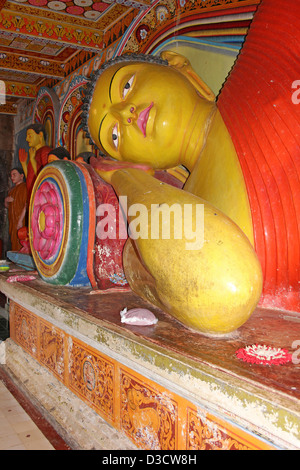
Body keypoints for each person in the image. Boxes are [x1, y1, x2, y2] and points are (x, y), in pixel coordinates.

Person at [82, 52, 263, 336]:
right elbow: (226, 288)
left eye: (126, 86)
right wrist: (126, 177)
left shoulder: (259, 68)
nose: (125, 113)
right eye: (114, 135)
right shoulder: (187, 210)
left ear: (184, 71)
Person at [19, 123, 52, 203]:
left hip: (41, 198)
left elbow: (45, 177)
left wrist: (33, 160)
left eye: (30, 136)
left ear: (40, 135)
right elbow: (31, 177)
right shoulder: (34, 153)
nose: (27, 139)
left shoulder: (45, 151)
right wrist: (24, 164)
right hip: (32, 195)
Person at [4, 167, 27, 251]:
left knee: (22, 242)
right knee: (14, 242)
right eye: (11, 175)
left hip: (21, 220)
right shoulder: (12, 190)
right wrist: (6, 200)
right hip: (13, 222)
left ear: (21, 176)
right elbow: (8, 206)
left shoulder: (24, 187)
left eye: (14, 174)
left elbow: (26, 204)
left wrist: (20, 220)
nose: (12, 177)